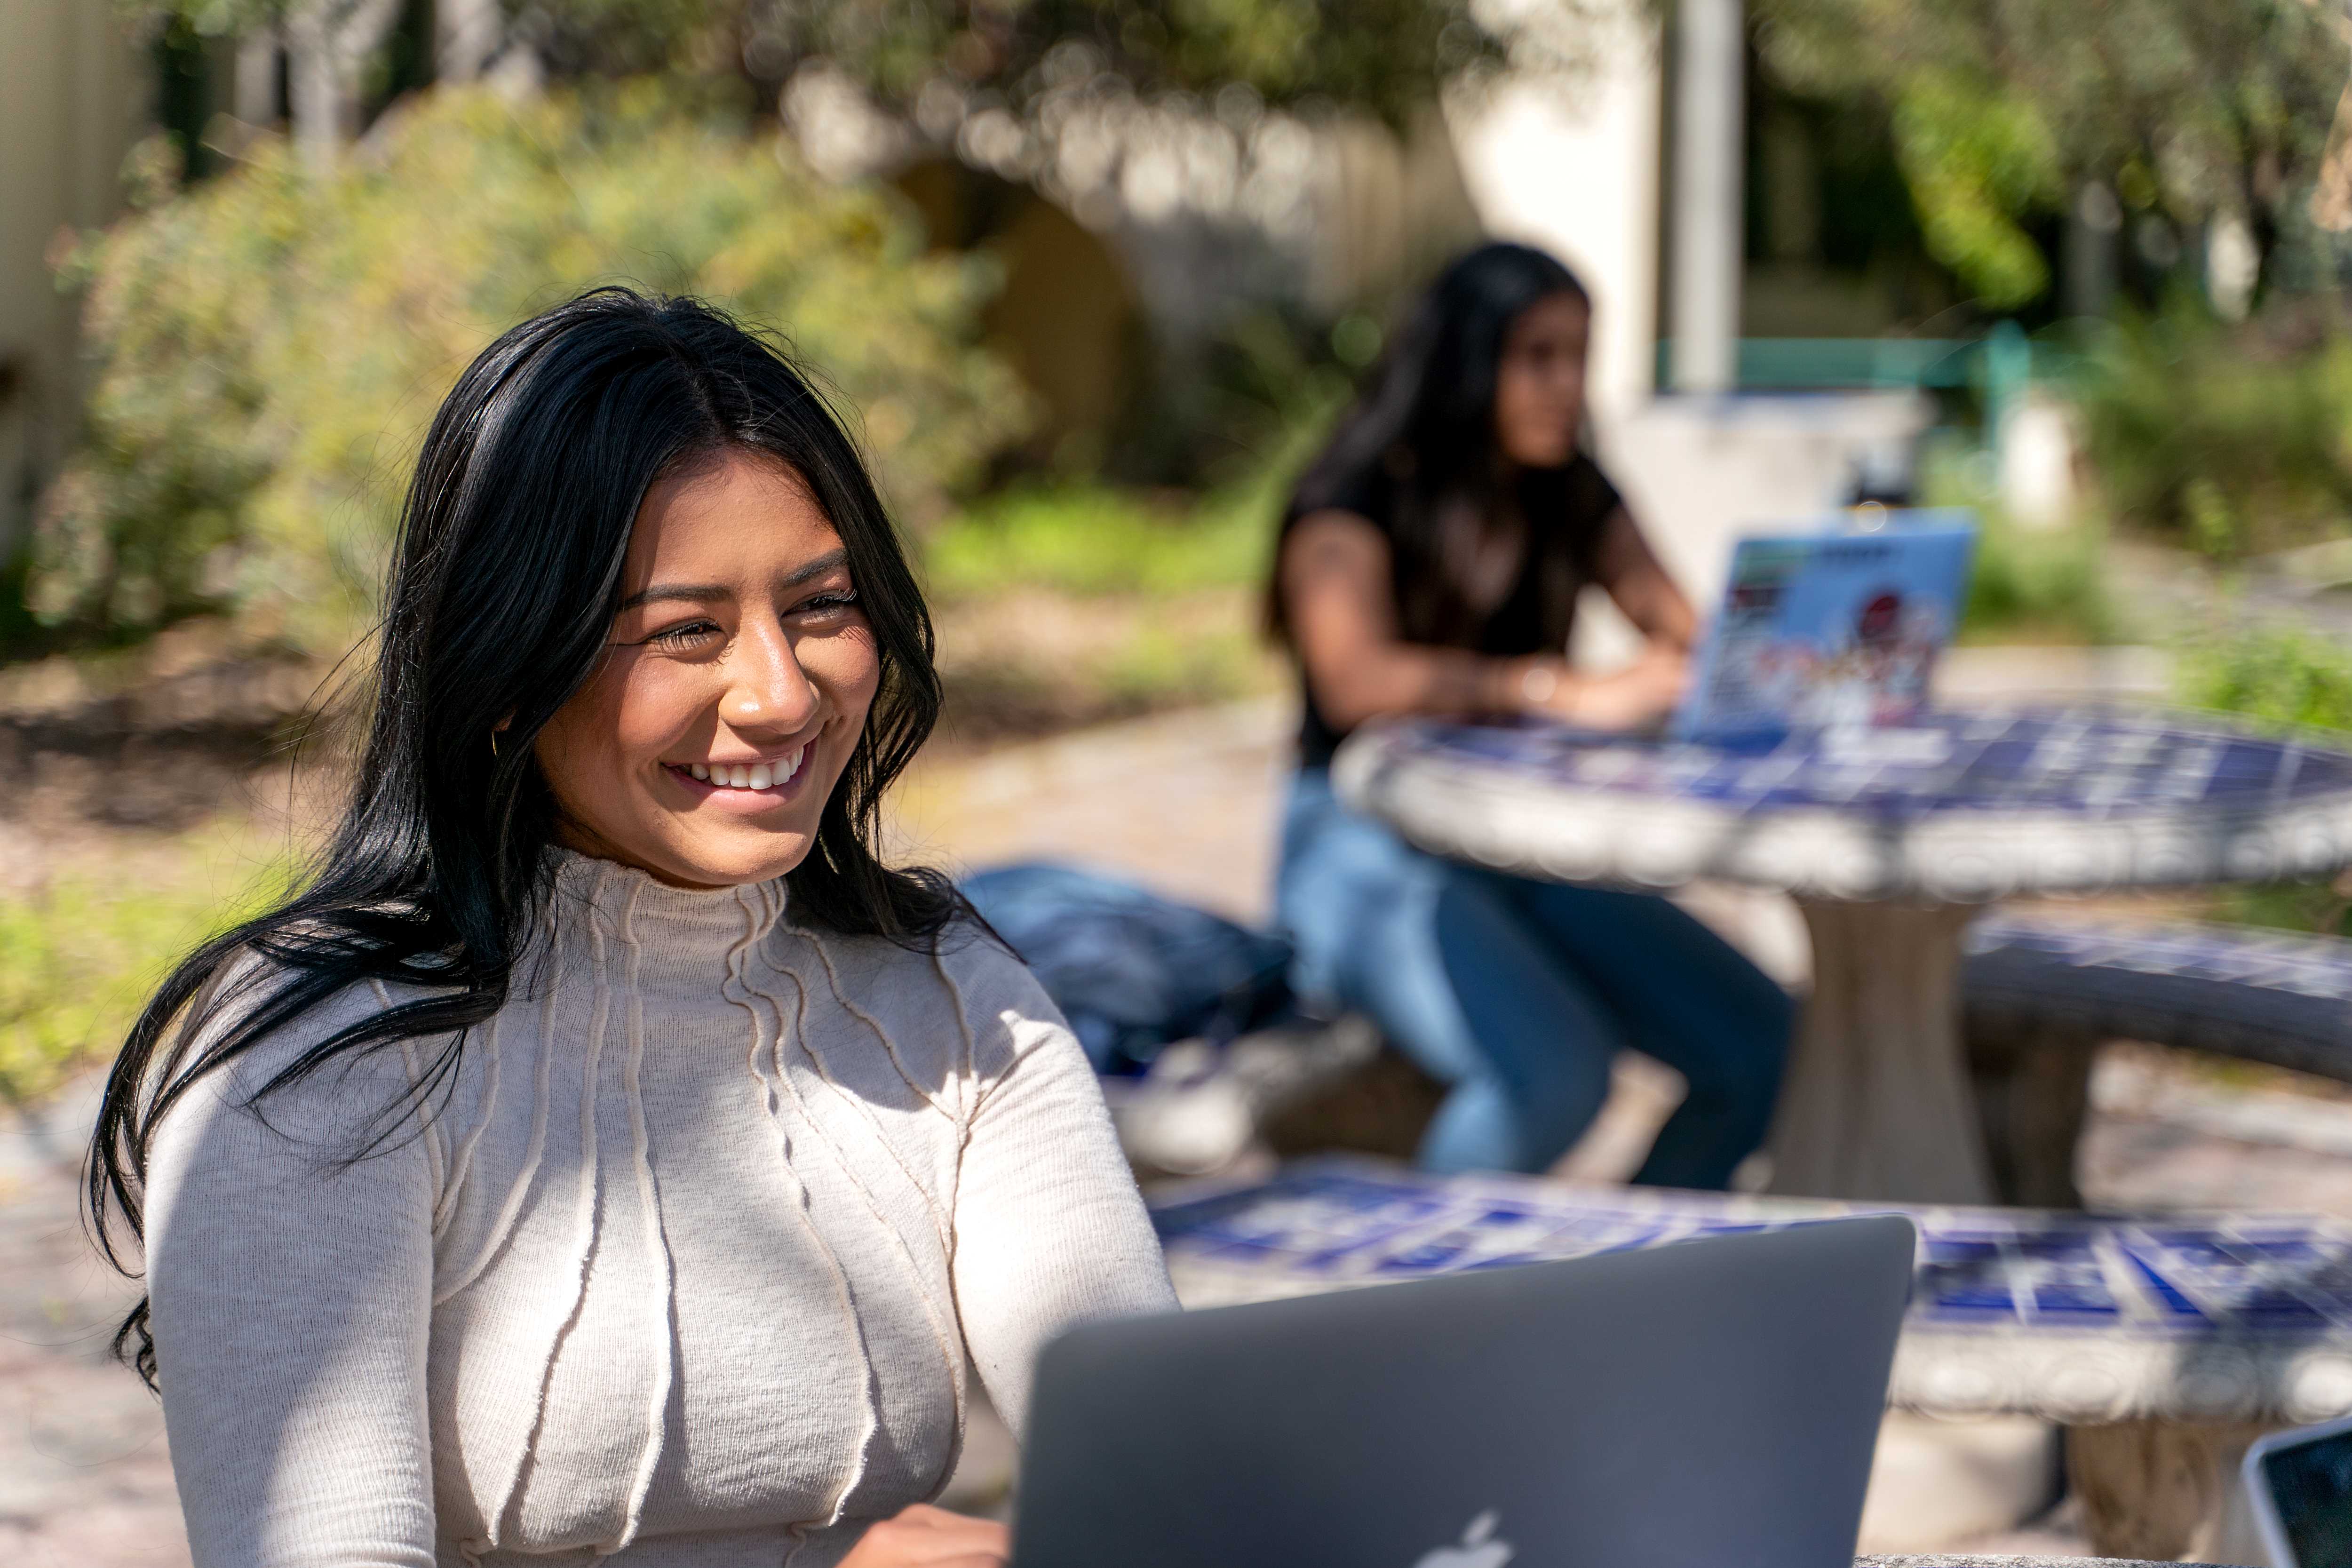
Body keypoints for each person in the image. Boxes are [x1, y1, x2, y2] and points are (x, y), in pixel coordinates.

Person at [87, 290, 1173, 1568]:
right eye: (684, 631)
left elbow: (1157, 1470)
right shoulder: (319, 1061)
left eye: (822, 607)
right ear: (505, 674)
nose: (779, 693)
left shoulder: (952, 1001)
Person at [1269, 242, 1793, 1186]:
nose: (1566, 384)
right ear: (1467, 362)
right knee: (1550, 1079)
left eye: (1579, 356)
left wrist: (1801, 643)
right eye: (1536, 356)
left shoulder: (1571, 490)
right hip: (1355, 843)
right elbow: (1355, 679)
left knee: (1765, 1046)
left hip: (1519, 843)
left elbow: (1694, 638)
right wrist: (1555, 690)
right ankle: (1402, 1322)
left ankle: (1636, 1300)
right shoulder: (1352, 497)